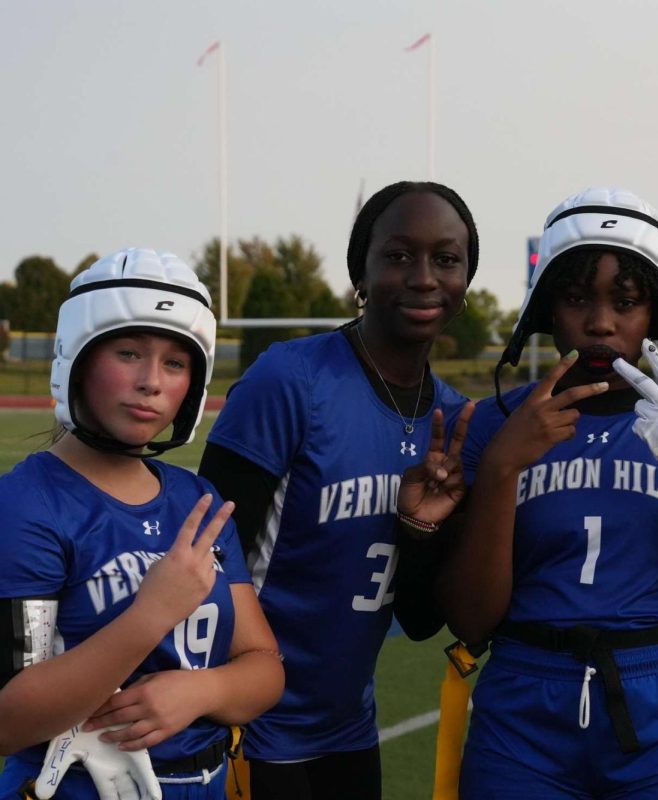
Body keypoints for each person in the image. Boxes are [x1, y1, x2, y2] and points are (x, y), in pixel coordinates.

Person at [438, 187, 658, 797]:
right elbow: (471, 619)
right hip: (522, 709)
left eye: (627, 302)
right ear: (547, 309)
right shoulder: (491, 425)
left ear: (656, 314)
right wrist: (504, 466)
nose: (601, 321)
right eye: (578, 298)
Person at [197, 181, 477, 800]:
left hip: (349, 730)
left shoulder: (453, 422)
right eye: (398, 255)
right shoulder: (292, 379)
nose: (424, 277)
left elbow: (422, 619)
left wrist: (421, 528)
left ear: (466, 281)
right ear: (362, 270)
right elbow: (203, 559)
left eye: (446, 259)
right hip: (250, 724)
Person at [0, 248, 284, 800]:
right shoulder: (27, 504)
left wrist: (200, 691)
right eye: (128, 352)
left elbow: (265, 668)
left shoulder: (195, 497)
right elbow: (10, 721)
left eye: (176, 363)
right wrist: (151, 613)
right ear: (76, 359)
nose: (152, 382)